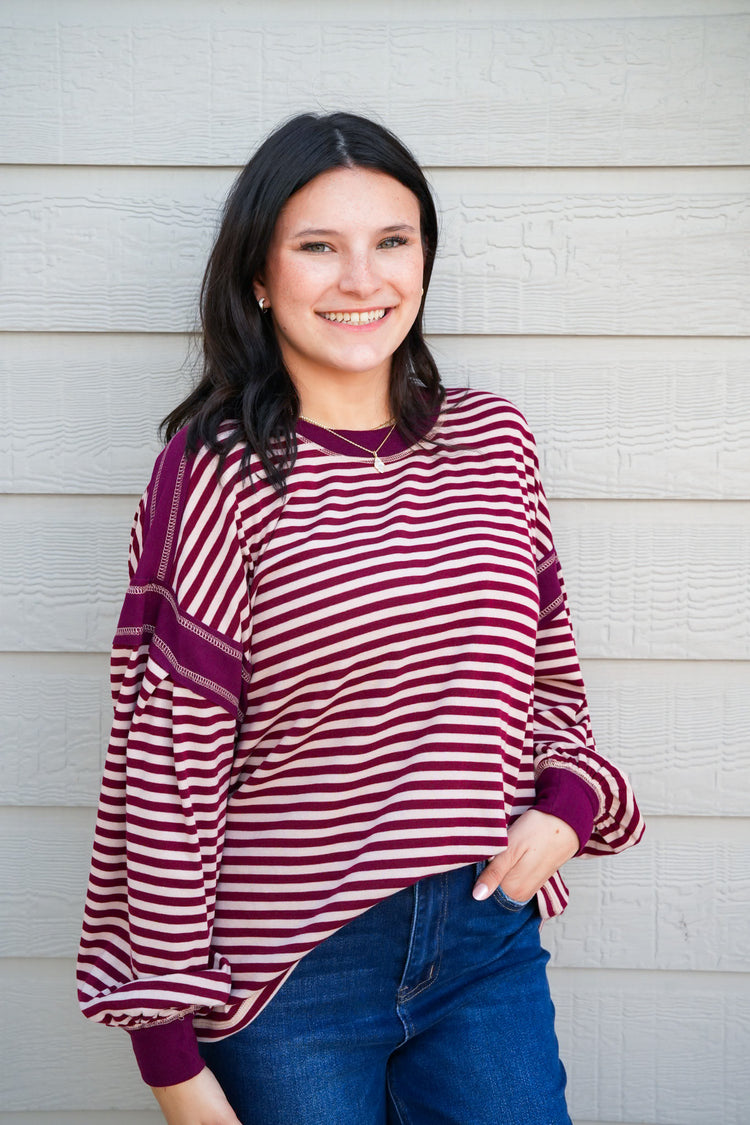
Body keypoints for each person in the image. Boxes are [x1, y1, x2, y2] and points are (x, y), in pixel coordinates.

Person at [77, 111, 644, 1125]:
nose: (361, 280)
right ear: (259, 277)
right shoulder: (215, 477)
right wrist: (167, 1054)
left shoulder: (493, 442)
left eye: (392, 241)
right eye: (316, 247)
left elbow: (547, 675)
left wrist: (564, 803)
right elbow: (166, 766)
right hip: (288, 975)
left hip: (483, 941)